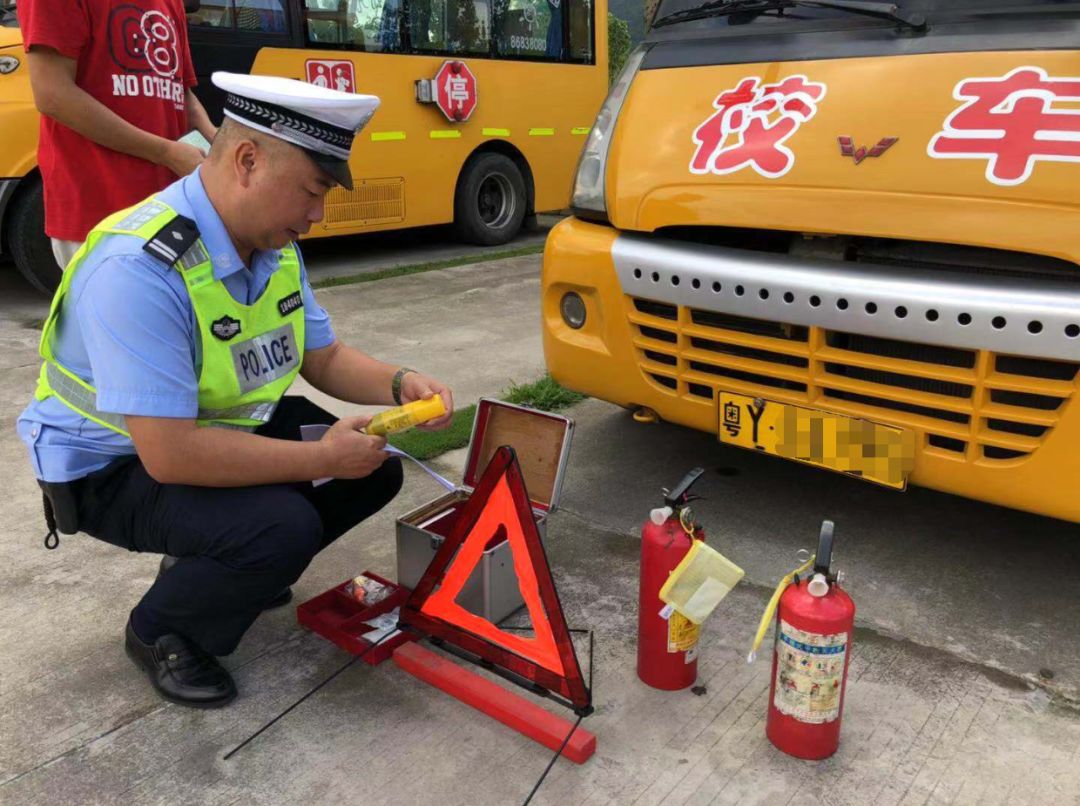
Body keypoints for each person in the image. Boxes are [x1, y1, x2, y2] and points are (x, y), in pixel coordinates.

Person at [17, 72, 454, 709]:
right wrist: (319, 459)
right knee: (281, 526)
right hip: (111, 467)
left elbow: (322, 356)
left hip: (202, 440)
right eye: (312, 190)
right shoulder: (138, 267)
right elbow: (170, 455)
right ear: (247, 160)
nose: (317, 214)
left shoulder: (272, 245)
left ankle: (216, 568)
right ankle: (162, 629)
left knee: (371, 473)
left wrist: (398, 383)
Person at [18, 0, 217, 271]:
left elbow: (181, 93)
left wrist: (218, 142)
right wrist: (166, 153)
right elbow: (53, 94)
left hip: (169, 209)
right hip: (100, 214)